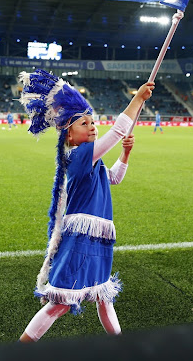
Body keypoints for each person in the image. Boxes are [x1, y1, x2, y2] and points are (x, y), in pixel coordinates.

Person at [17, 69, 154, 343]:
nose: (92, 126)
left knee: (103, 297)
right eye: (84, 123)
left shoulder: (93, 159)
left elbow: (113, 178)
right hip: (81, 239)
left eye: (93, 122)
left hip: (97, 238)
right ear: (69, 134)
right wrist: (137, 98)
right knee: (60, 303)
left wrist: (126, 154)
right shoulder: (78, 154)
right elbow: (117, 131)